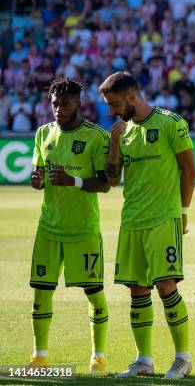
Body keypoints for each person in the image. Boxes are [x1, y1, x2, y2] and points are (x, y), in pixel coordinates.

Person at [100, 71, 195, 379]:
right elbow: (112, 180)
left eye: (114, 104)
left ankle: (183, 358)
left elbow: (189, 170)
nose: (111, 111)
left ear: (132, 97)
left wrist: (182, 211)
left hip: (162, 218)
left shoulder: (170, 123)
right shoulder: (122, 132)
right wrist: (114, 144)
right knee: (137, 290)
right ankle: (144, 360)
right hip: (132, 220)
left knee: (166, 286)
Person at [29, 77, 110, 376]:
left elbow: (104, 184)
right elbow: (39, 173)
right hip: (48, 228)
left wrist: (73, 181)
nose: (58, 110)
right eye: (54, 104)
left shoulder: (96, 137)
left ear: (79, 104)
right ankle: (39, 357)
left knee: (93, 291)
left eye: (64, 104)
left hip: (83, 229)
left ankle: (98, 357)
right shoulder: (43, 134)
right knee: (41, 292)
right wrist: (36, 181)